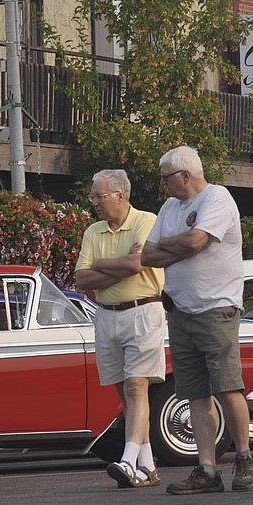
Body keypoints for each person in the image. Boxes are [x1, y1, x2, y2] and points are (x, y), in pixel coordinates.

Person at [141, 145, 253, 494]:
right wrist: (181, 247)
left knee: (227, 386)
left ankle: (244, 457)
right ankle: (206, 468)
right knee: (194, 394)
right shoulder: (169, 206)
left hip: (215, 308)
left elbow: (194, 241)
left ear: (185, 175)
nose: (163, 185)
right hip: (180, 309)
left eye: (166, 178)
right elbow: (148, 254)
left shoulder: (217, 199)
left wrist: (173, 247)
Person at [74, 169, 166, 488]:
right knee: (125, 395)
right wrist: (117, 268)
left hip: (143, 311)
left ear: (120, 196)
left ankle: (127, 462)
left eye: (99, 196)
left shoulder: (146, 220)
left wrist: (100, 265)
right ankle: (148, 466)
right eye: (93, 196)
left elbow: (137, 264)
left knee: (136, 387)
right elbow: (81, 278)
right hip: (106, 315)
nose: (94, 202)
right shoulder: (92, 231)